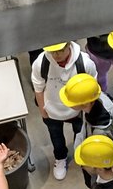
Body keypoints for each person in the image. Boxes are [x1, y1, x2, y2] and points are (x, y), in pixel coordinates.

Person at [31, 40, 97, 181]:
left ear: (69, 45)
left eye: (60, 50)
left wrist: (88, 112)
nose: (56, 55)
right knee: (56, 137)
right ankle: (60, 158)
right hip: (52, 110)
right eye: (52, 51)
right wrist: (44, 111)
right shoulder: (41, 62)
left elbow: (92, 88)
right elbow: (38, 87)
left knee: (80, 134)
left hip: (78, 111)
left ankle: (81, 154)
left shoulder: (84, 63)